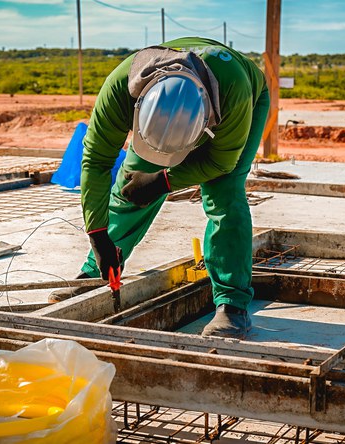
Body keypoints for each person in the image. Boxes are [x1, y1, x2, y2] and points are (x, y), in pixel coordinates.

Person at [71, 36, 268, 340]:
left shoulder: (235, 91)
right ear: (139, 107)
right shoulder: (120, 88)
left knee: (224, 196)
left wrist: (164, 181)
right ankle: (97, 271)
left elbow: (220, 164)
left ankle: (232, 306)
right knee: (131, 186)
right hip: (176, 112)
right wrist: (98, 234)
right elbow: (95, 160)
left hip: (242, 104)